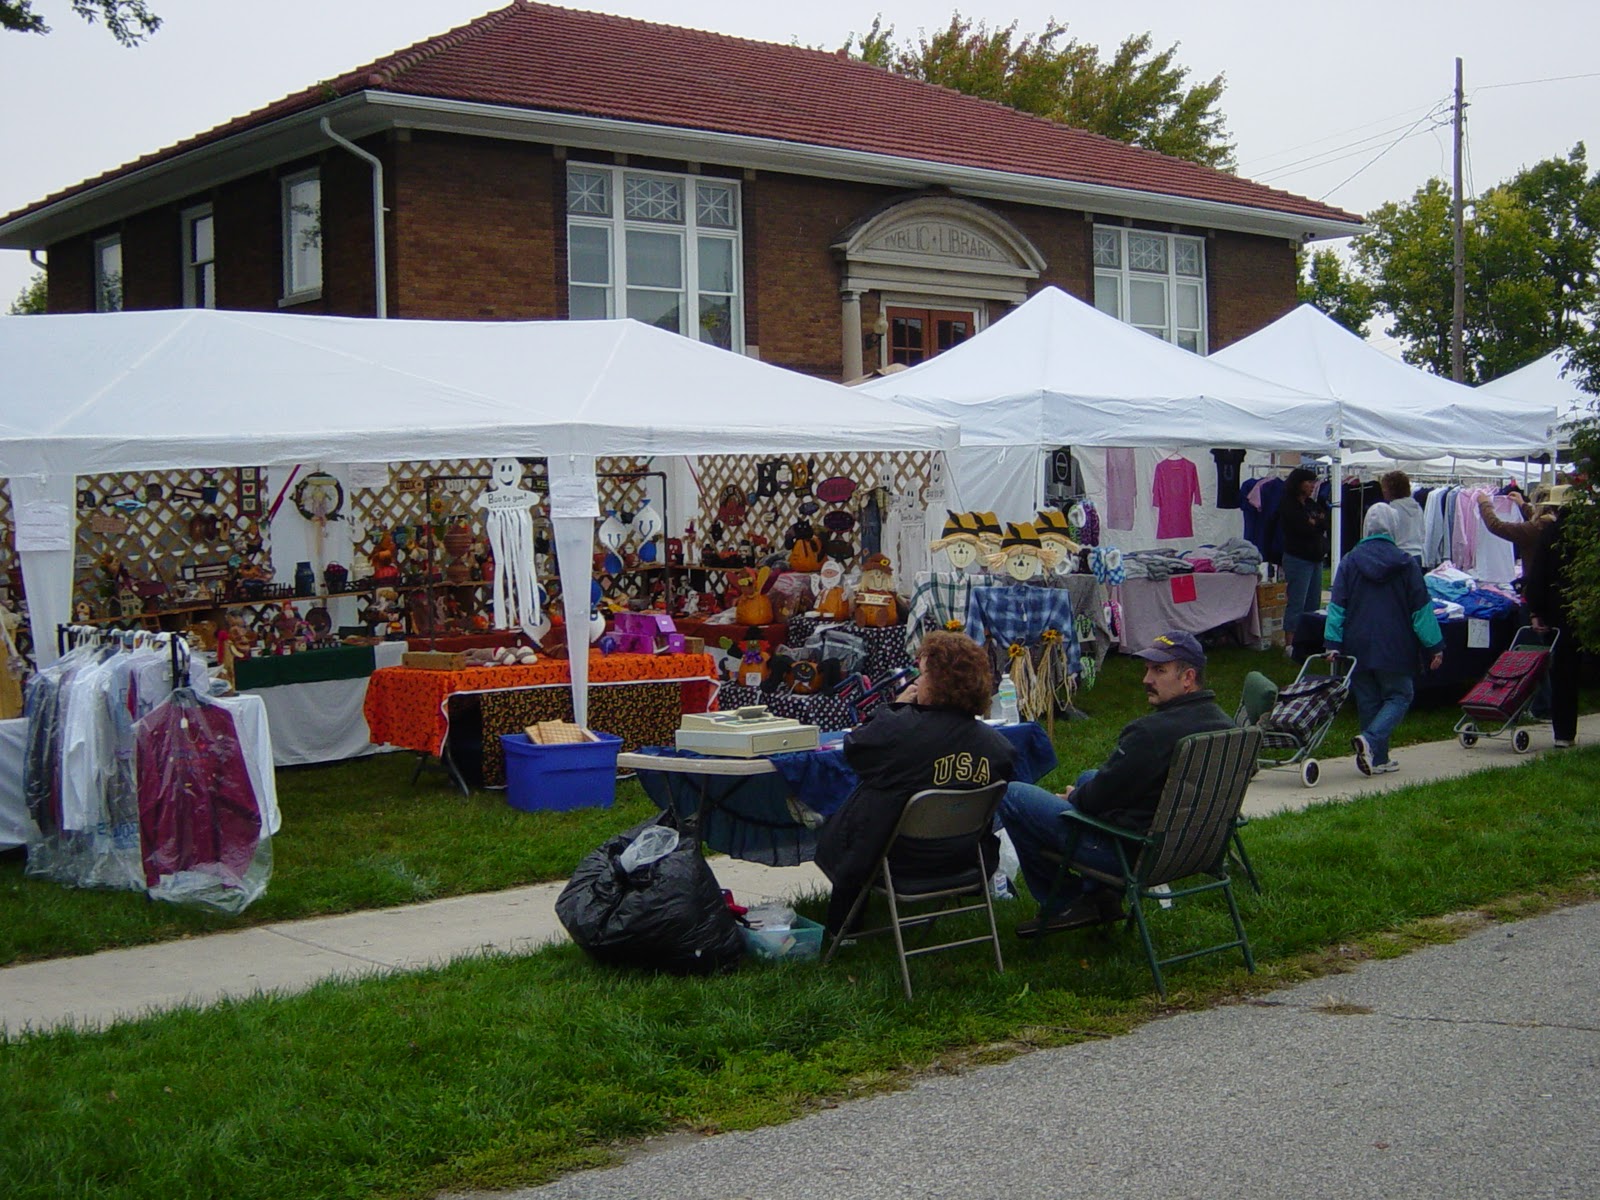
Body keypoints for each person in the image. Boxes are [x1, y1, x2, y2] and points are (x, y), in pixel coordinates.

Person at [999, 631, 1234, 936]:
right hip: (1195, 850)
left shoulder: (1150, 734)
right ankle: (1101, 896)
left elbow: (1093, 801)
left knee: (1012, 794)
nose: (1146, 679)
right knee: (1088, 776)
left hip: (1137, 856)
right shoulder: (1226, 727)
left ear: (1188, 678)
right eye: (1147, 669)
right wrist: (1087, 792)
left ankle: (1066, 902)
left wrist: (1074, 798)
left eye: (1159, 671)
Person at [814, 631, 1017, 935]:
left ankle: (845, 930)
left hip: (891, 860)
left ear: (938, 682)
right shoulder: (999, 749)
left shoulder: (900, 729)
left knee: (867, 802)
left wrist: (897, 707)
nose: (916, 683)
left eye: (921, 675)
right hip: (963, 861)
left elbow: (855, 748)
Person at [1324, 503, 1445, 775]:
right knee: (1400, 695)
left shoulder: (1349, 561)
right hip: (1396, 643)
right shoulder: (1406, 563)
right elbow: (1421, 610)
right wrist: (1434, 646)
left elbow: (1337, 606)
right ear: (1394, 527)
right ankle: (1371, 741)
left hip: (1357, 644)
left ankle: (1377, 759)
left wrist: (1332, 643)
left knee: (1369, 700)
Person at [1476, 484, 1579, 747]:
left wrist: (1535, 610)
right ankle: (1560, 727)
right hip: (1579, 607)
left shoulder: (1545, 531)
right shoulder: (1581, 532)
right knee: (1563, 667)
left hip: (1553, 607)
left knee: (1543, 661)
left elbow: (1502, 529)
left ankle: (1552, 719)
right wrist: (1522, 505)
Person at [1277, 467, 1328, 656]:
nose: (1313, 486)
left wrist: (1316, 523)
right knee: (1297, 600)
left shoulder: (1311, 504)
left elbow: (1324, 521)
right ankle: (1290, 644)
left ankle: (1308, 642)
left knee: (1313, 602)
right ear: (1299, 483)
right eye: (1309, 482)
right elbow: (1301, 528)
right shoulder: (1288, 504)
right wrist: (1314, 524)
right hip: (1298, 558)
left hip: (1315, 557)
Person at [1380, 470, 1426, 567]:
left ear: (1392, 489)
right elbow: (1423, 534)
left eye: (1385, 488)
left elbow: (1388, 536)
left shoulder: (1391, 509)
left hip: (1399, 556)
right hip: (1418, 555)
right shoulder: (1417, 507)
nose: (1383, 491)